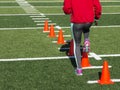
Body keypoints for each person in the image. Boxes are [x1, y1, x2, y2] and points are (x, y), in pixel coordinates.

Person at [63, 0, 102, 76]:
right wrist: (97, 17)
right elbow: (98, 7)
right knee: (86, 27)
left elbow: (66, 9)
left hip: (77, 22)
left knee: (77, 44)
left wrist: (72, 10)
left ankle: (79, 69)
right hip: (89, 21)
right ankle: (86, 40)